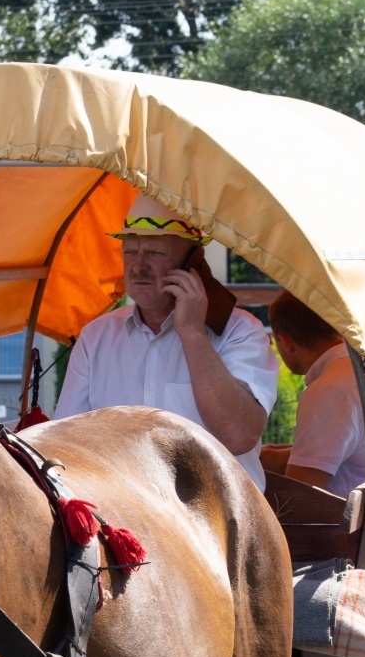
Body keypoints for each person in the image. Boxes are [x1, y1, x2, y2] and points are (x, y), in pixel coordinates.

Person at [54, 193, 278, 489]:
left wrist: (193, 333)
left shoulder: (241, 331)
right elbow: (66, 442)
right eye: (130, 252)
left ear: (193, 263)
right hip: (123, 517)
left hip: (214, 526)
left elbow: (238, 435)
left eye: (155, 253)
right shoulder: (97, 336)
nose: (139, 266)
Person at [267, 291, 365, 578]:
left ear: (285, 342)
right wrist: (271, 457)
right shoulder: (361, 374)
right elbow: (348, 455)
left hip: (364, 551)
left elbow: (298, 496)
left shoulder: (330, 390)